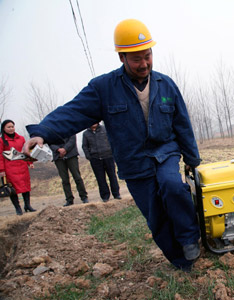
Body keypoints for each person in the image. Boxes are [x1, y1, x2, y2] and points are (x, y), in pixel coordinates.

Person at [23, 19, 201, 271]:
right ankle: (181, 260)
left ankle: (189, 238)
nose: (144, 64)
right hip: (134, 160)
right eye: (136, 59)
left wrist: (193, 160)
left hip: (165, 152)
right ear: (122, 57)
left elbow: (182, 124)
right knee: (155, 215)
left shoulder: (166, 84)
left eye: (147, 56)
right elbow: (72, 112)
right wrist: (42, 133)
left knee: (172, 187)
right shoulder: (104, 88)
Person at [0, 120, 35, 215]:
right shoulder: (2, 140)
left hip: (22, 166)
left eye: (12, 126)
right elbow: (0, 156)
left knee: (26, 186)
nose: (11, 129)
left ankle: (27, 205)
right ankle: (18, 208)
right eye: (9, 127)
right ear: (4, 129)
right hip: (10, 168)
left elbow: (25, 151)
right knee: (13, 189)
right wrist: (2, 170)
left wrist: (30, 162)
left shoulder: (21, 138)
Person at [82, 123, 121, 202]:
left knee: (112, 176)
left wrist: (112, 153)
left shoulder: (105, 129)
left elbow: (112, 140)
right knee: (100, 178)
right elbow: (85, 146)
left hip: (108, 156)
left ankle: (116, 194)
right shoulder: (86, 133)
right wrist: (89, 157)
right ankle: (105, 196)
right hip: (95, 159)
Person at [50, 135, 89, 206]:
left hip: (71, 155)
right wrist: (58, 150)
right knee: (65, 180)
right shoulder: (52, 129)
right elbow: (50, 142)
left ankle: (84, 197)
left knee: (77, 177)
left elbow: (72, 139)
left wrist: (65, 149)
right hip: (58, 157)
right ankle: (69, 199)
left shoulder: (67, 125)